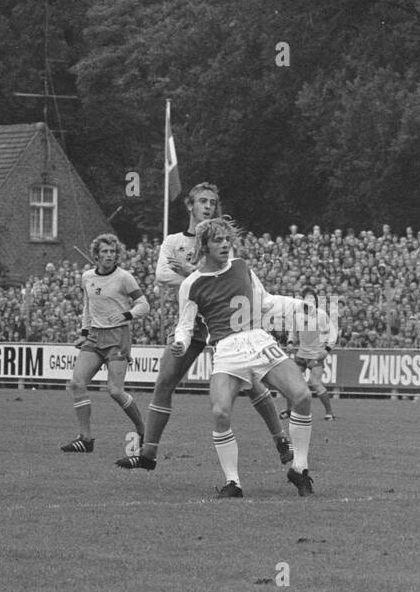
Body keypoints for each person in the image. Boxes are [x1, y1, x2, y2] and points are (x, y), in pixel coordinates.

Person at [115, 183, 292, 471]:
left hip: (225, 325)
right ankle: (148, 454)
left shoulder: (219, 239)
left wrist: (190, 272)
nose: (208, 206)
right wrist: (197, 276)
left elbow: (226, 274)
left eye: (212, 201)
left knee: (251, 382)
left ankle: (280, 438)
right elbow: (161, 274)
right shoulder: (174, 241)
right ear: (189, 205)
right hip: (190, 325)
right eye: (202, 201)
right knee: (164, 383)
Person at [169, 217, 315, 498]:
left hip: (257, 340)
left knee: (303, 396)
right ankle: (233, 483)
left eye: (227, 239)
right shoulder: (191, 284)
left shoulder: (241, 267)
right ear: (204, 246)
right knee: (220, 412)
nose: (225, 245)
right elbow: (185, 325)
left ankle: (300, 468)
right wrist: (180, 342)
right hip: (226, 349)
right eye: (218, 241)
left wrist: (299, 306)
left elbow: (266, 302)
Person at [61, 234, 149, 453]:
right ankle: (85, 439)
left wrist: (127, 315)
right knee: (76, 383)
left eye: (112, 251)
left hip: (118, 336)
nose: (109, 255)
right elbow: (87, 306)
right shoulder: (87, 277)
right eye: (105, 251)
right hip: (94, 336)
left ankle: (142, 429)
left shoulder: (124, 277)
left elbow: (144, 305)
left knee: (115, 391)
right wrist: (83, 332)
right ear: (96, 255)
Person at [282, 290, 338, 422]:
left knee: (315, 383)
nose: (309, 301)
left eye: (311, 298)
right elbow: (293, 333)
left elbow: (333, 332)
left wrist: (327, 349)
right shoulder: (298, 316)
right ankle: (290, 411)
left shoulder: (321, 315)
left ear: (315, 301)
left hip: (316, 356)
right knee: (291, 383)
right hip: (301, 355)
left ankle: (329, 412)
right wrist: (290, 342)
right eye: (306, 298)